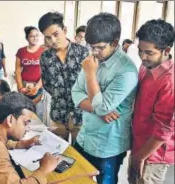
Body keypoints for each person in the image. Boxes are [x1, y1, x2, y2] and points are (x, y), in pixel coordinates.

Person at [72, 13, 138, 184]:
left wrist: (90, 74)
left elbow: (101, 107)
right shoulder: (92, 59)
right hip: (85, 136)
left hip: (107, 144)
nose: (94, 52)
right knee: (75, 178)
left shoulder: (127, 71)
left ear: (115, 43)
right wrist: (100, 110)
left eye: (99, 47)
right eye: (91, 46)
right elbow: (76, 93)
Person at [128, 19, 174, 184]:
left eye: (149, 52)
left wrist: (140, 157)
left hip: (153, 155)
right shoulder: (146, 67)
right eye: (140, 51)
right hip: (139, 144)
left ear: (166, 50)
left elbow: (164, 130)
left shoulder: (169, 81)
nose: (142, 56)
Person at [38, 12, 89, 141]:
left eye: (56, 34)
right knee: (60, 152)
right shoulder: (45, 57)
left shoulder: (83, 53)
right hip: (58, 113)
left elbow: (91, 82)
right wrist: (59, 94)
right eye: (48, 37)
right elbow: (47, 83)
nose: (53, 41)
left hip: (81, 113)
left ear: (64, 30)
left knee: (80, 154)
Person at [15, 26, 45, 119]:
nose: (35, 38)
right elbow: (18, 70)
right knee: (24, 112)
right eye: (32, 36)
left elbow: (46, 72)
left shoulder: (43, 51)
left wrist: (37, 87)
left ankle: (38, 133)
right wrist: (20, 87)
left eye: (37, 35)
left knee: (38, 113)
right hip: (24, 86)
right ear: (27, 38)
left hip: (39, 86)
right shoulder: (21, 51)